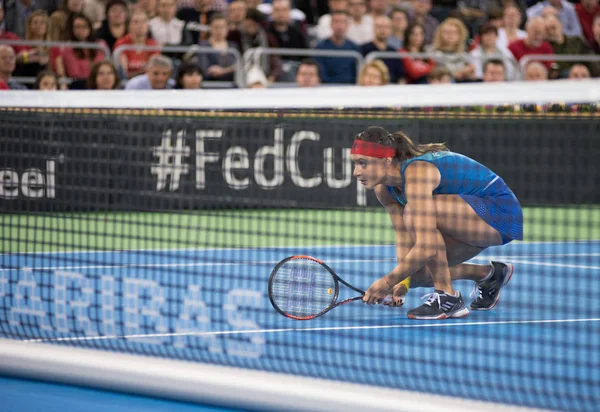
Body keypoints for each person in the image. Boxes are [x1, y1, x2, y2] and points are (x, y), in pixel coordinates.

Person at [352, 126, 523, 320]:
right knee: (418, 275)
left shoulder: (416, 172)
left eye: (363, 163)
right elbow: (403, 237)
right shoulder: (383, 189)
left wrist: (385, 282)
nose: (356, 172)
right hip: (468, 218)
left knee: (412, 216)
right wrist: (402, 283)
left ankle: (447, 297)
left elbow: (426, 247)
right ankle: (490, 275)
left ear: (386, 160)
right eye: (356, 164)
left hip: (501, 214)